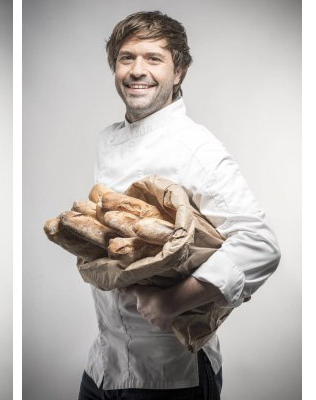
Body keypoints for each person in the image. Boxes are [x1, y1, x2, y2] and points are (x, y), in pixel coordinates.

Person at [78, 11, 281, 400]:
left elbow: (260, 244)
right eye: (126, 58)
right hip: (104, 365)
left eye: (154, 58)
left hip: (169, 377)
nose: (138, 70)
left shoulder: (195, 147)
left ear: (180, 72)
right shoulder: (108, 139)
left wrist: (173, 300)